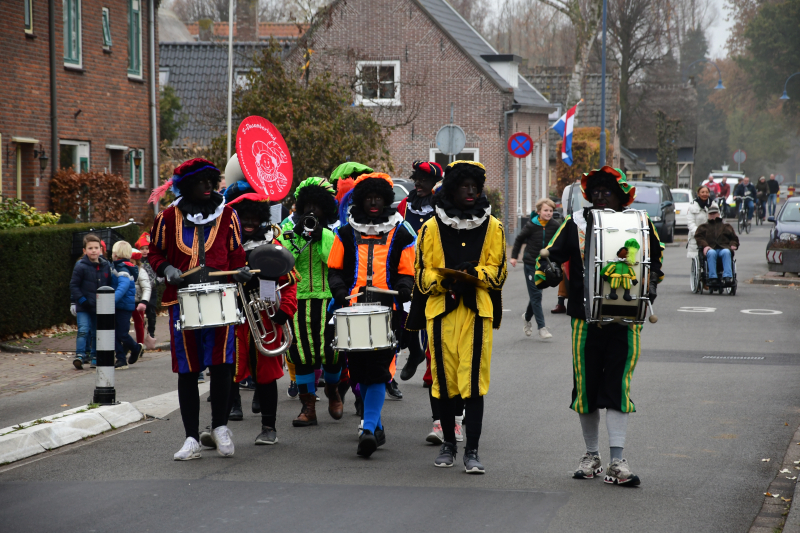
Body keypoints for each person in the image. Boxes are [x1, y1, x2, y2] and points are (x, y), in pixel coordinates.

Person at [535, 166, 664, 487]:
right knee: (586, 386)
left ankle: (617, 461)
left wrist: (650, 287)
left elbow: (655, 262)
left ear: (622, 197)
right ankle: (591, 456)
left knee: (619, 385)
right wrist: (548, 272)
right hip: (584, 318)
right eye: (595, 191)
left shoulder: (640, 223)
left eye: (607, 191)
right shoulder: (576, 223)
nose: (600, 195)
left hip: (626, 318)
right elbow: (550, 255)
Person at [148, 157, 252, 461]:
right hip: (182, 302)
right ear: (187, 186)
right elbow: (154, 252)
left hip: (220, 298)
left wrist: (241, 271)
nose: (209, 187)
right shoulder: (167, 218)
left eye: (212, 181)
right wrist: (166, 267)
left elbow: (235, 254)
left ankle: (220, 427)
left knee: (221, 364)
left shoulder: (228, 215)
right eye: (201, 183)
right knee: (188, 369)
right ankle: (191, 438)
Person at [410, 160, 507, 474]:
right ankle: (449, 446)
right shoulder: (430, 228)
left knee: (474, 382)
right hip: (440, 313)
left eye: (475, 186)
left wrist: (474, 274)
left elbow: (499, 272)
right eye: (464, 185)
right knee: (445, 381)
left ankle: (473, 451)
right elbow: (421, 274)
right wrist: (442, 280)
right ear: (451, 189)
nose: (471, 191)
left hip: (477, 312)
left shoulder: (493, 226)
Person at [328, 172, 416, 457]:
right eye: (369, 198)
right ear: (361, 201)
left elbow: (406, 272)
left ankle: (367, 429)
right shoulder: (344, 233)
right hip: (351, 311)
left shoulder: (401, 233)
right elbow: (335, 270)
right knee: (360, 373)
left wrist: (404, 288)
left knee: (378, 373)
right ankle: (374, 426)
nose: (374, 202)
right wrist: (339, 290)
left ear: (387, 200)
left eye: (379, 197)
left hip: (387, 312)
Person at [214, 179, 298, 446]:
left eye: (254, 217)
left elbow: (289, 283)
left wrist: (285, 311)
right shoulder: (225, 246)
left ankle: (269, 427)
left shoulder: (273, 242)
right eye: (244, 217)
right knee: (225, 372)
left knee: (266, 375)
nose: (249, 222)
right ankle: (219, 427)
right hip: (233, 319)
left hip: (265, 318)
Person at [277, 177, 345, 427]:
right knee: (302, 355)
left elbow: (336, 261)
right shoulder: (288, 232)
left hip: (328, 301)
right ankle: (308, 406)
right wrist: (296, 238)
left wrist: (321, 236)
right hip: (299, 301)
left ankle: (334, 390)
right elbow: (284, 264)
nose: (312, 210)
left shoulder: (334, 233)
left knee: (332, 352)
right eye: (308, 205)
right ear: (302, 206)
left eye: (318, 206)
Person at [396, 161, 443, 381]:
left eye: (423, 180)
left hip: (433, 268)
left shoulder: (440, 205)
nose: (418, 184)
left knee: (432, 320)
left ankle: (430, 369)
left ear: (434, 182)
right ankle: (414, 353)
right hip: (407, 269)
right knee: (407, 317)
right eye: (416, 180)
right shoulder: (404, 205)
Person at [510, 198, 559, 339]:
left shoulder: (555, 226)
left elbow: (558, 242)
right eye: (545, 210)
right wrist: (514, 256)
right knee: (537, 295)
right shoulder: (531, 225)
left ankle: (527, 316)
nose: (548, 213)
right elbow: (519, 239)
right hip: (531, 263)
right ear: (539, 211)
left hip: (544, 264)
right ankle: (542, 327)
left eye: (550, 211)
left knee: (535, 294)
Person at [69, 234, 112, 369]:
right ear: (84, 251)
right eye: (90, 248)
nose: (93, 251)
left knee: (96, 331)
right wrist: (81, 300)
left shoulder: (106, 265)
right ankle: (80, 355)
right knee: (83, 330)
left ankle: (95, 356)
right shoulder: (80, 266)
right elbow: (74, 286)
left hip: (99, 306)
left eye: (96, 248)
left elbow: (109, 283)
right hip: (84, 305)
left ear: (101, 249)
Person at [110, 241, 143, 370]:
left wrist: (111, 300)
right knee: (115, 333)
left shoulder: (122, 269)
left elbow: (122, 287)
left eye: (113, 252)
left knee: (122, 333)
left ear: (117, 254)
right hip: (120, 305)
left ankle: (135, 348)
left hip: (122, 306)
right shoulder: (119, 267)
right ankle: (121, 359)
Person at [694, 204, 739, 287]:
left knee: (726, 252)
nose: (712, 215)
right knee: (711, 253)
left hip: (724, 248)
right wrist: (705, 245)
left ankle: (727, 277)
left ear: (718, 214)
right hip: (710, 248)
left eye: (714, 213)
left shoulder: (726, 226)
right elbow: (699, 238)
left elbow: (734, 238)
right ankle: (712, 277)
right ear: (708, 215)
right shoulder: (703, 227)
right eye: (711, 214)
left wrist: (733, 244)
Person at [134, 232, 159, 349]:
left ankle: (152, 332)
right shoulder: (137, 262)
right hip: (141, 292)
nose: (144, 251)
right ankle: (143, 334)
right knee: (141, 314)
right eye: (142, 249)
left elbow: (160, 272)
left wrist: (157, 281)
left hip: (152, 290)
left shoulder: (153, 260)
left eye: (147, 248)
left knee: (151, 313)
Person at [131, 248, 152, 347]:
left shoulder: (141, 271)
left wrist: (144, 301)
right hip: (125, 302)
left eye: (131, 262)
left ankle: (140, 344)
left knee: (139, 324)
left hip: (137, 302)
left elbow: (146, 287)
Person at [686, 185, 710, 259]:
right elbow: (690, 223)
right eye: (702, 192)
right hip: (697, 237)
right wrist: (698, 233)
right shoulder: (692, 207)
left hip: (711, 236)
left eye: (706, 192)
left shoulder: (713, 205)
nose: (704, 194)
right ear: (698, 194)